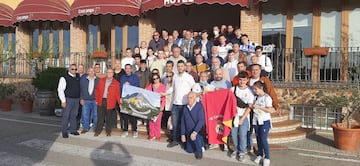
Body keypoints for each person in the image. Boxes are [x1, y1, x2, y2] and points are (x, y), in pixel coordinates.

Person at [167, 60, 195, 148]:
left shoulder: (189, 77)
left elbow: (194, 88)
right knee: (175, 123)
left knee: (185, 123)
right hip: (176, 103)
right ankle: (175, 140)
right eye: (178, 66)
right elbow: (172, 88)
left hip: (185, 104)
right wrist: (164, 93)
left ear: (185, 67)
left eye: (182, 66)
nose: (180, 68)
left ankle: (185, 141)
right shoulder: (175, 77)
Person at [229, 71, 254, 161]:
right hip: (234, 115)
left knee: (242, 134)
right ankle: (236, 149)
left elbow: (249, 107)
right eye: (240, 80)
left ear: (247, 80)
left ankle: (242, 151)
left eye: (244, 80)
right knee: (234, 134)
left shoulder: (250, 91)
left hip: (244, 115)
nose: (242, 82)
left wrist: (242, 118)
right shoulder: (233, 89)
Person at [251, 81, 273, 166]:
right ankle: (260, 154)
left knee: (263, 139)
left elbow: (270, 110)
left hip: (264, 121)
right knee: (258, 139)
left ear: (261, 88)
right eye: (254, 89)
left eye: (256, 89)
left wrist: (259, 107)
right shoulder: (256, 97)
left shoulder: (267, 98)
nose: (254, 90)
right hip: (256, 121)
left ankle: (267, 157)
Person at [94, 68, 121, 137]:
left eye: (111, 72)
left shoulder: (116, 83)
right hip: (101, 100)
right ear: (106, 73)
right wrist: (96, 100)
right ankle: (97, 131)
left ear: (113, 74)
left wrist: (120, 103)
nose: (109, 73)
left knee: (109, 118)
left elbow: (117, 94)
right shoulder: (101, 80)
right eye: (108, 72)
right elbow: (97, 90)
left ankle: (108, 131)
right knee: (100, 117)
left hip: (110, 102)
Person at [57, 64, 81, 138]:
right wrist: (63, 101)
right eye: (72, 69)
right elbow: (60, 90)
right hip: (68, 99)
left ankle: (73, 130)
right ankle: (64, 131)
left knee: (74, 115)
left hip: (76, 99)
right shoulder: (64, 78)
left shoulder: (78, 77)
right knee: (66, 116)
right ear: (69, 69)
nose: (74, 71)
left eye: (75, 69)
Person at [180, 92, 205, 159]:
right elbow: (183, 121)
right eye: (188, 98)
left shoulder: (199, 106)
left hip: (196, 131)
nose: (189, 99)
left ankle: (200, 150)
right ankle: (201, 143)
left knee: (196, 140)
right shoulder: (185, 107)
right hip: (188, 131)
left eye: (191, 98)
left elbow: (201, 120)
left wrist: (195, 132)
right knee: (189, 150)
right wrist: (182, 134)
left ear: (195, 98)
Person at [120, 64, 140, 138]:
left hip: (133, 99)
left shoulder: (135, 77)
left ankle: (135, 130)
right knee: (125, 116)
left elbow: (137, 87)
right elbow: (120, 88)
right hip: (124, 99)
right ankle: (125, 130)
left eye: (129, 68)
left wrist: (130, 85)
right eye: (126, 69)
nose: (127, 70)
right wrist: (120, 98)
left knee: (133, 116)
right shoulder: (122, 77)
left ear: (131, 69)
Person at [146, 73, 166, 141]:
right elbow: (146, 94)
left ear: (159, 78)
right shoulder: (150, 86)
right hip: (151, 105)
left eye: (157, 78)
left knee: (158, 121)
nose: (156, 80)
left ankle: (157, 135)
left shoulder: (163, 86)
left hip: (159, 105)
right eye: (154, 79)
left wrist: (162, 106)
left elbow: (164, 97)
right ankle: (151, 135)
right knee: (151, 121)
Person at [80, 67, 99, 134]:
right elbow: (81, 89)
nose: (91, 72)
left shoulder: (98, 80)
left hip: (95, 100)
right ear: (88, 72)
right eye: (90, 71)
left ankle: (96, 128)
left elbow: (100, 91)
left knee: (95, 115)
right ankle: (85, 128)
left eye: (92, 71)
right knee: (85, 114)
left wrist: (98, 100)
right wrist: (81, 98)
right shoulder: (83, 79)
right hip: (85, 99)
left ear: (94, 72)